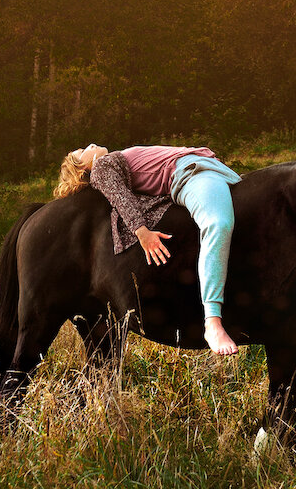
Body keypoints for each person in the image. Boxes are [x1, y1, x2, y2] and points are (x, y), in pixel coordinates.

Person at [53, 144, 241, 356]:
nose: (90, 145)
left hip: (213, 169)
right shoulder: (101, 167)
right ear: (83, 168)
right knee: (217, 224)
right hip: (192, 174)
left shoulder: (114, 160)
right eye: (81, 151)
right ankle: (213, 321)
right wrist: (142, 232)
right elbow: (121, 198)